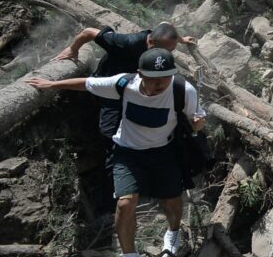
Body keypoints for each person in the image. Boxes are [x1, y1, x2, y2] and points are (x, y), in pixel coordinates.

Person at [29, 49, 207, 257]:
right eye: (151, 80)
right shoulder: (124, 84)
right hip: (127, 152)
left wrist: (198, 125)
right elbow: (88, 83)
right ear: (139, 73)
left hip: (164, 152)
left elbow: (195, 122)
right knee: (125, 203)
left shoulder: (183, 90)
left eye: (162, 80)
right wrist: (52, 84)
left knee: (170, 199)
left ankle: (173, 233)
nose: (156, 87)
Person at [53, 22, 196, 214]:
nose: (165, 56)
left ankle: (142, 182)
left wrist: (182, 39)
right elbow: (88, 32)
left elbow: (167, 26)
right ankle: (111, 192)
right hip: (112, 89)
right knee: (109, 133)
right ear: (150, 42)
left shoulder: (162, 42)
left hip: (138, 91)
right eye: (163, 49)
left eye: (171, 50)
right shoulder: (125, 43)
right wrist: (73, 49)